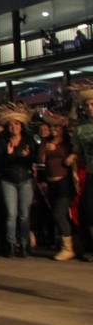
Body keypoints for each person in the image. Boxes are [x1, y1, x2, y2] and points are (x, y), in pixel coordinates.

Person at [0, 105, 36, 257]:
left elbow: (34, 159)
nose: (14, 127)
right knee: (11, 214)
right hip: (8, 181)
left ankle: (24, 245)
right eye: (11, 125)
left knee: (24, 215)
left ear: (21, 126)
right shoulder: (2, 142)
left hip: (25, 180)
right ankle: (10, 244)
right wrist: (8, 154)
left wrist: (25, 156)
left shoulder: (28, 140)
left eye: (16, 124)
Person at [39, 112, 75, 261]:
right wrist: (46, 150)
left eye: (57, 126)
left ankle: (68, 248)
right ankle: (68, 243)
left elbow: (71, 158)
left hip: (64, 183)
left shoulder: (66, 143)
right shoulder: (45, 142)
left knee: (59, 214)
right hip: (50, 184)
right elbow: (40, 160)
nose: (53, 128)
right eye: (52, 126)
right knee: (59, 215)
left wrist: (71, 157)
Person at [70, 85, 93, 262]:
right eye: (88, 105)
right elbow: (77, 152)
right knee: (88, 210)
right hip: (90, 173)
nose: (90, 108)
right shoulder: (81, 129)